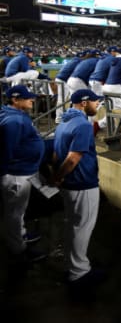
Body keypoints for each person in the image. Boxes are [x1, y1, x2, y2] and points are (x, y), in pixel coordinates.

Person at [52, 89, 105, 288]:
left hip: (69, 184)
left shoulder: (64, 120)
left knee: (73, 226)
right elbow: (73, 158)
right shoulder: (82, 124)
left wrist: (56, 176)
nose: (97, 105)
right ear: (84, 103)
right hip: (82, 183)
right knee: (82, 228)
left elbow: (56, 155)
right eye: (95, 101)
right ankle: (79, 272)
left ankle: (72, 265)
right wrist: (57, 177)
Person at [0, 85, 47, 263]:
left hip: (19, 171)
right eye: (28, 97)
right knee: (14, 213)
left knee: (17, 212)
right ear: (15, 100)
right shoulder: (13, 121)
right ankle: (18, 250)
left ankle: (20, 236)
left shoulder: (14, 116)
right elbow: (6, 151)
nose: (32, 100)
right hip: (16, 175)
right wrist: (5, 174)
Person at [53, 51, 83, 124]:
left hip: (62, 79)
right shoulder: (78, 61)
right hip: (63, 80)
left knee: (68, 98)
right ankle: (59, 119)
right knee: (62, 100)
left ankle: (68, 116)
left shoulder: (74, 60)